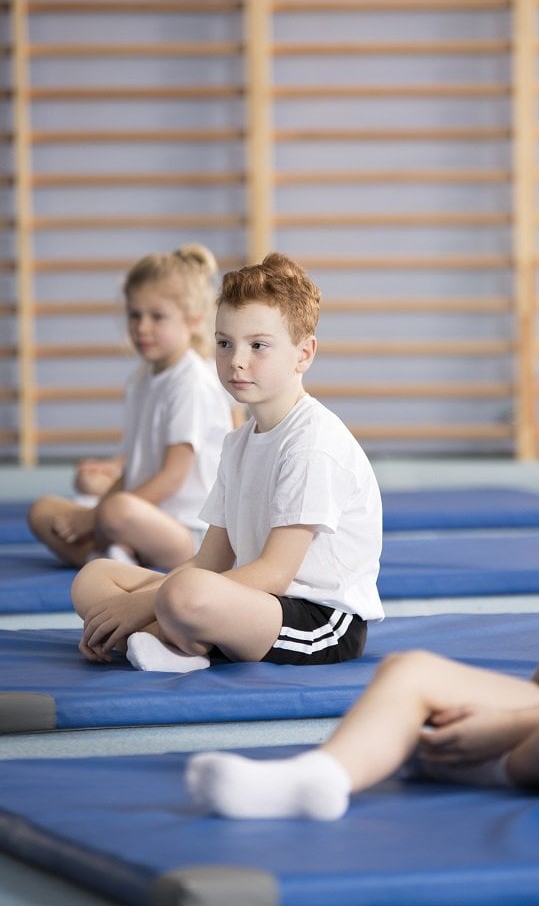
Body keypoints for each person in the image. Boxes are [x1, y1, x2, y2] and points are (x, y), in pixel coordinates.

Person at [184, 284, 539, 821]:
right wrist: (533, 695)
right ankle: (321, 777)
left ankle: (485, 768)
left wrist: (516, 723)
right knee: (410, 671)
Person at [70, 251, 384, 673]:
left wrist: (147, 602)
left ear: (303, 354)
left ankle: (173, 641)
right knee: (93, 579)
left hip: (316, 620)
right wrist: (145, 599)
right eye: (224, 343)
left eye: (258, 346)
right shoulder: (238, 442)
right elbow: (210, 559)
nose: (236, 360)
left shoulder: (312, 443)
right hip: (249, 601)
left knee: (182, 595)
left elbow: (275, 573)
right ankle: (170, 638)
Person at [29, 244, 235, 571]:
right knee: (43, 511)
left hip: (192, 535)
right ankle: (111, 558)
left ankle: (116, 554)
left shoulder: (190, 382)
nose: (142, 328)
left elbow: (171, 478)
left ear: (194, 320)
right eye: (134, 315)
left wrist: (96, 515)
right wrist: (95, 509)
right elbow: (135, 470)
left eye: (157, 317)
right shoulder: (142, 381)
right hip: (144, 518)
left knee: (114, 512)